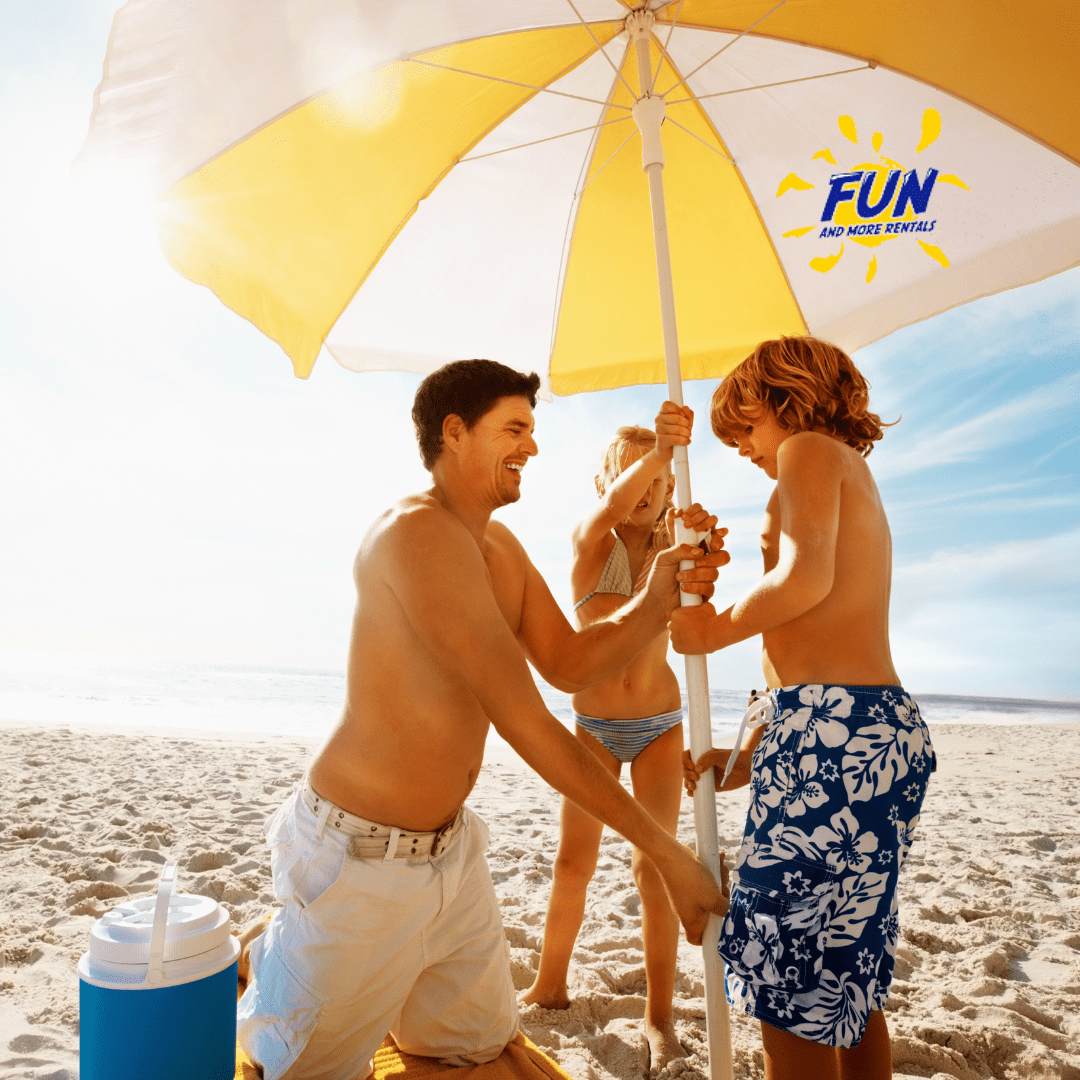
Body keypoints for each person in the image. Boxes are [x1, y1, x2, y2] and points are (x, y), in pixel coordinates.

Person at [237, 359, 730, 1080]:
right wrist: (666, 852)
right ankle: (266, 952)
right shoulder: (417, 536)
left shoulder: (498, 545)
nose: (532, 447)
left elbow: (568, 662)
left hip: (449, 855)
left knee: (470, 1052)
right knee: (295, 1069)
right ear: (455, 432)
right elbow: (527, 720)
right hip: (358, 860)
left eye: (533, 431)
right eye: (515, 429)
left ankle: (295, 950)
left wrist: (657, 597)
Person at [672, 337, 934, 1080]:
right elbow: (799, 652)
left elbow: (805, 578)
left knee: (787, 979)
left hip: (836, 733)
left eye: (745, 429)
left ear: (782, 398)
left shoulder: (809, 450)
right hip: (853, 727)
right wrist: (752, 752)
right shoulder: (843, 469)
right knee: (844, 971)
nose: (745, 450)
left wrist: (715, 626)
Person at [523, 407, 719, 1071]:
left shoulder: (674, 546)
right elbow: (614, 504)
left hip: (662, 724)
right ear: (607, 478)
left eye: (661, 479)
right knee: (573, 863)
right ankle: (549, 985)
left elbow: (699, 625)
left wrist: (702, 554)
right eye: (633, 471)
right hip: (596, 729)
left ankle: (659, 1018)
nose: (649, 487)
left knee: (653, 866)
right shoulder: (592, 539)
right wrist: (659, 452)